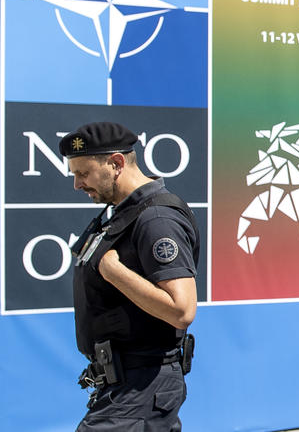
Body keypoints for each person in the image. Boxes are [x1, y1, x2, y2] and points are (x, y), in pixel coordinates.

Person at [61, 121, 200, 432]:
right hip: (124, 386)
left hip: (140, 386)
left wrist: (113, 271)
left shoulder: (157, 218)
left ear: (116, 163)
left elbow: (182, 310)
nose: (77, 184)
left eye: (83, 173)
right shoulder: (123, 213)